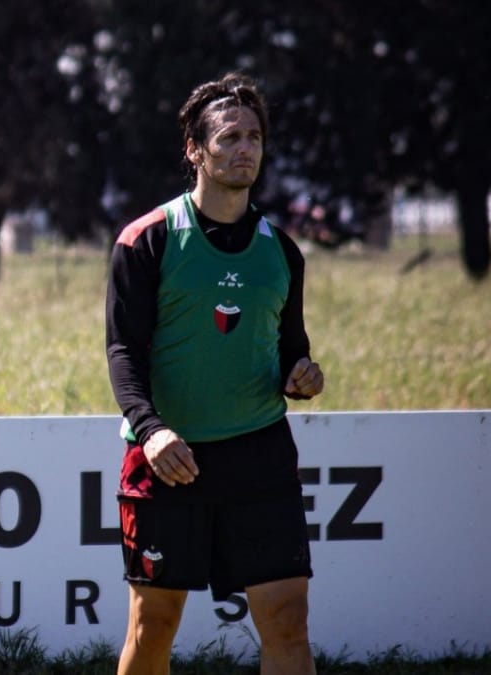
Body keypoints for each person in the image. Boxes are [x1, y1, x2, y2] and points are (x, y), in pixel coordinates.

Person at [105, 73, 325, 675]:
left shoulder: (281, 250)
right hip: (167, 459)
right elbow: (123, 352)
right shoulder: (146, 240)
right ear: (195, 151)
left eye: (253, 136)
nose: (245, 148)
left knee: (287, 619)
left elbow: (289, 351)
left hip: (259, 455)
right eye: (228, 137)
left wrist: (300, 374)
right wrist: (151, 430)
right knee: (153, 628)